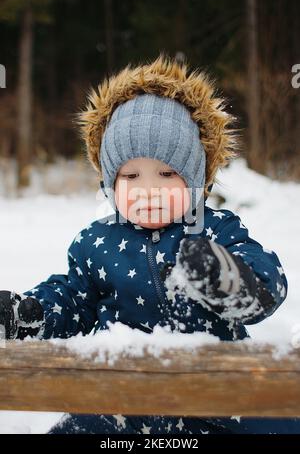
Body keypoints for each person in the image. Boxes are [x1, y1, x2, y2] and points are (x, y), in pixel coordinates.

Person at [0, 55, 299, 434]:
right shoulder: (96, 243)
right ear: (110, 184)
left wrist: (230, 281)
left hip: (216, 395)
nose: (149, 189)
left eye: (166, 173)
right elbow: (73, 299)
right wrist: (31, 312)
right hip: (120, 399)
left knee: (282, 420)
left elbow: (268, 281)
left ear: (195, 180)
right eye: (131, 175)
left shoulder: (214, 231)